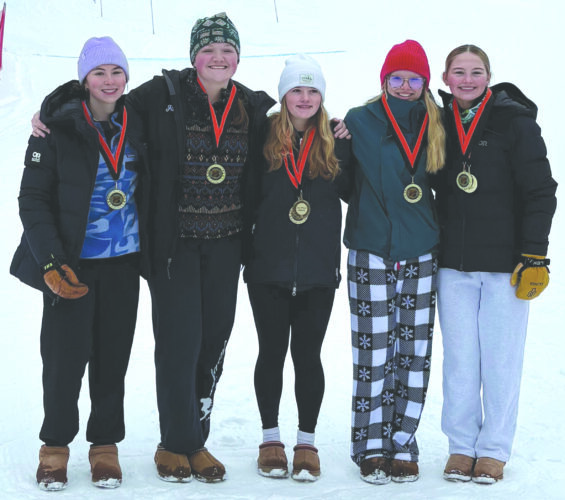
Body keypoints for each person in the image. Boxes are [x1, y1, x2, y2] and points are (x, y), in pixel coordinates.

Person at [11, 37, 149, 491]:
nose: (109, 81)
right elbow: (31, 199)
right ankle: (54, 446)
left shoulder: (140, 122)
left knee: (112, 359)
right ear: (84, 79)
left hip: (123, 264)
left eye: (116, 72)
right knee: (63, 361)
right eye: (99, 73)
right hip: (71, 266)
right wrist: (51, 261)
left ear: (126, 77)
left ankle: (105, 446)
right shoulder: (56, 128)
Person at [436, 44, 557, 484]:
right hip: (453, 264)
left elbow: (541, 190)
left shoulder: (514, 121)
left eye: (476, 72)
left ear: (489, 76)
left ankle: (493, 450)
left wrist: (534, 254)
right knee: (460, 362)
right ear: (446, 78)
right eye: (459, 72)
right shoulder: (438, 123)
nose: (467, 80)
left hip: (506, 265)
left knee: (501, 360)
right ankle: (460, 446)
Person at [342, 40, 445, 485]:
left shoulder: (438, 122)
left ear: (425, 82)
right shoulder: (358, 120)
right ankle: (369, 444)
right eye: (397, 78)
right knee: (374, 351)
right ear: (384, 80)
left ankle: (403, 440)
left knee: (414, 352)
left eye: (414, 78)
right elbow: (343, 181)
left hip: (421, 249)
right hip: (371, 249)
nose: (405, 86)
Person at [243, 54, 350, 482]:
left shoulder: (338, 140)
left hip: (318, 271)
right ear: (284, 94)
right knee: (270, 352)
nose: (304, 98)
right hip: (267, 267)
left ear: (321, 96)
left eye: (312, 91)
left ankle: (306, 442)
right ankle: (270, 439)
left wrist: (351, 134)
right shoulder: (261, 135)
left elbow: (356, 190)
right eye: (296, 90)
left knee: (308, 356)